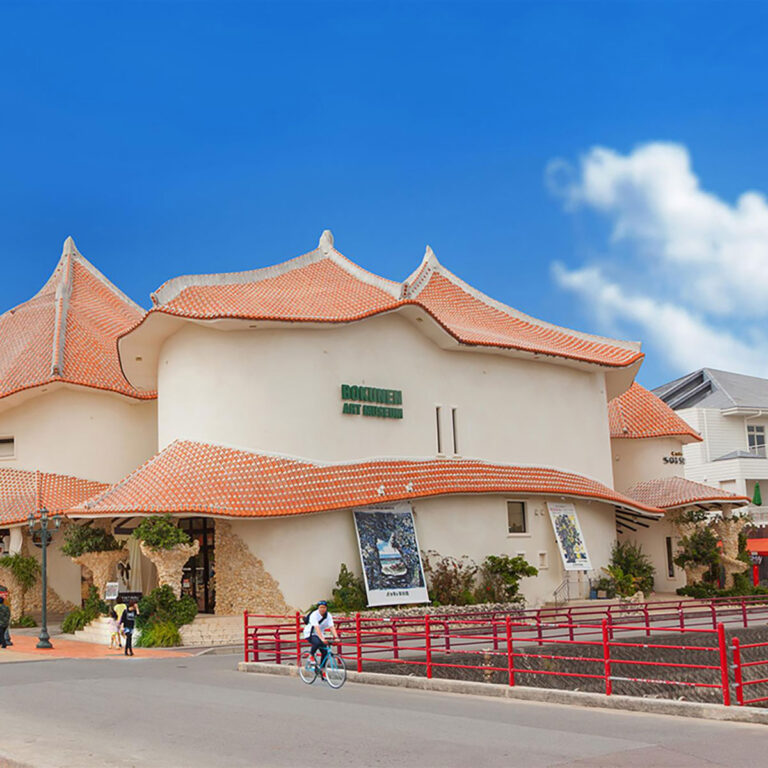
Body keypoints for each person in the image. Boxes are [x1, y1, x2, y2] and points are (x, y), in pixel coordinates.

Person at [302, 600, 339, 671]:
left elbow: (332, 627)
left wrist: (336, 637)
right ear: (318, 608)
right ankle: (311, 656)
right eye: (321, 607)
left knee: (325, 652)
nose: (322, 609)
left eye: (324, 607)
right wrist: (322, 639)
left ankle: (322, 670)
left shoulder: (328, 616)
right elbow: (317, 627)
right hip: (310, 633)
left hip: (320, 634)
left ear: (326, 608)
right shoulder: (314, 615)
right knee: (317, 642)